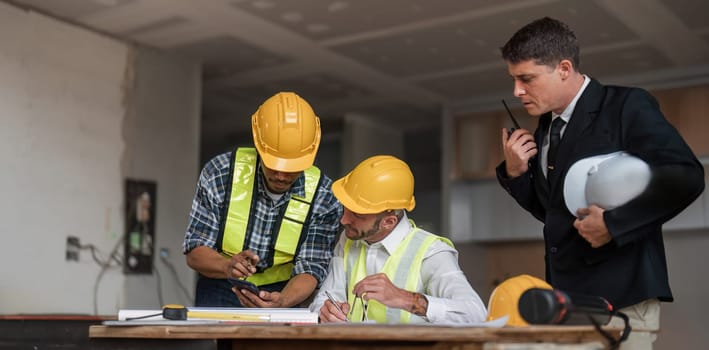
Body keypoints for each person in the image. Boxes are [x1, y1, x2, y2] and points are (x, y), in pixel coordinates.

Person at [496, 17, 704, 348]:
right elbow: (555, 213)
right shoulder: (546, 128)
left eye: (526, 78)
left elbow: (687, 176)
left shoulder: (626, 106)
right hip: (567, 303)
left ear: (563, 68)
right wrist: (516, 173)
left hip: (622, 301)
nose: (516, 91)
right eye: (514, 80)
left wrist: (613, 223)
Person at [183, 92, 343, 308]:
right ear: (258, 144)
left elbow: (312, 267)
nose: (280, 175)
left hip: (286, 291)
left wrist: (283, 301)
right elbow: (195, 252)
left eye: (291, 169)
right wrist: (227, 266)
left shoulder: (324, 197)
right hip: (221, 284)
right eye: (273, 164)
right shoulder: (220, 173)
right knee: (215, 343)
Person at [312, 155, 487, 324]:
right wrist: (325, 311)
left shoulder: (432, 252)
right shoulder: (348, 240)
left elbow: (476, 313)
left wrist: (405, 298)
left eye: (357, 214)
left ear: (389, 222)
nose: (344, 220)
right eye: (346, 208)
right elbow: (323, 300)